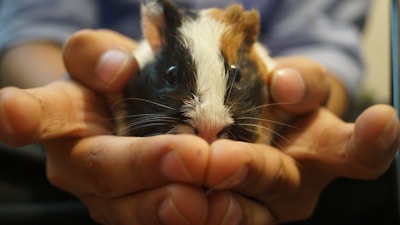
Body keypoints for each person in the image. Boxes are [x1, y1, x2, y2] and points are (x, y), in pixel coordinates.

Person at [0, 0, 398, 225]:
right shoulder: (145, 57)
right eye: (173, 77)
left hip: (290, 150)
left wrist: (302, 106)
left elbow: (325, 50)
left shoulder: (258, 58)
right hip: (63, 137)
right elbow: (32, 29)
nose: (207, 125)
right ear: (156, 42)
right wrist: (82, 101)